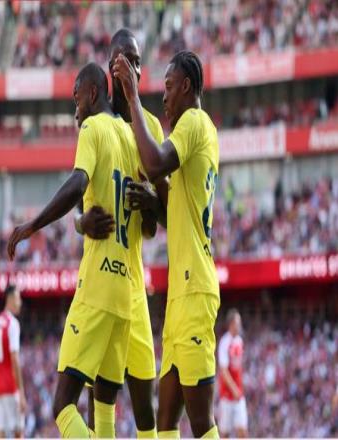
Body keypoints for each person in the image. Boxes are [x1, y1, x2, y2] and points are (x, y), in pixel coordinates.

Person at [8, 62, 141, 438]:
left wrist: (33, 225)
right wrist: (82, 222)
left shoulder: (92, 128)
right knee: (104, 411)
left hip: (97, 284)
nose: (75, 109)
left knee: (62, 406)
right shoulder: (130, 136)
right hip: (126, 291)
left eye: (76, 98)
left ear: (93, 93)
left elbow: (79, 182)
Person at [113, 51, 220, 438]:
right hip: (182, 293)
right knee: (166, 422)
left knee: (201, 421)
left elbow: (156, 162)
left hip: (194, 290)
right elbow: (175, 212)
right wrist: (154, 200)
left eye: (169, 87)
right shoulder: (202, 131)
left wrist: (132, 98)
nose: (164, 96)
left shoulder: (194, 121)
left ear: (187, 87)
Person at [74, 28, 166, 438]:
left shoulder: (151, 128)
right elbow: (81, 203)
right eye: (127, 59)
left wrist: (150, 202)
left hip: (133, 281)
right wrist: (81, 223)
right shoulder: (95, 121)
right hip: (99, 277)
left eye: (139, 61)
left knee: (145, 403)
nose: (134, 68)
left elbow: (156, 223)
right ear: (112, 66)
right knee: (100, 399)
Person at [0, 284, 26, 438]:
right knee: (18, 433)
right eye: (18, 299)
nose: (20, 303)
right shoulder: (12, 323)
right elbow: (14, 358)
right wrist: (21, 392)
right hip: (11, 387)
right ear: (10, 299)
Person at [217, 309, 247, 438]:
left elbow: (238, 367)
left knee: (243, 431)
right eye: (237, 323)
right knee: (225, 433)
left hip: (238, 395)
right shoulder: (225, 342)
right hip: (227, 395)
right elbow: (223, 370)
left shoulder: (239, 341)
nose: (239, 325)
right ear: (231, 324)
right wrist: (234, 388)